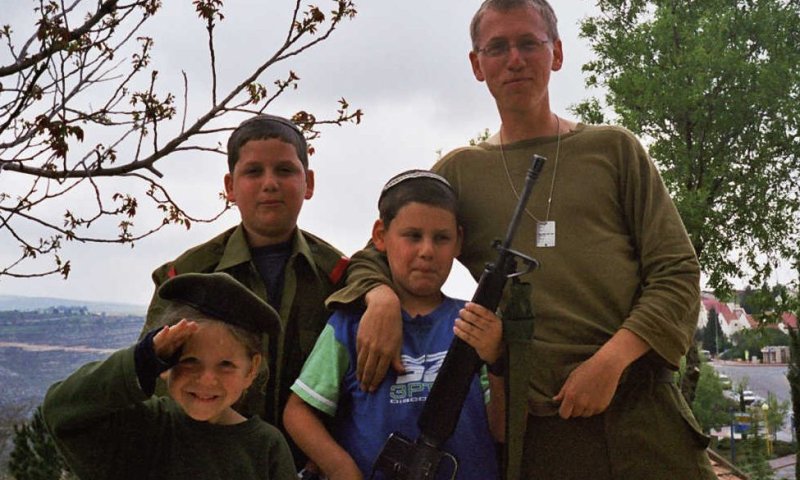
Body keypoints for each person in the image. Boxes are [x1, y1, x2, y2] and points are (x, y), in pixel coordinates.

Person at [326, 1, 716, 479]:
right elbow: (382, 251)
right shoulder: (460, 173)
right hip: (537, 434)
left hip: (643, 414)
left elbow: (676, 272)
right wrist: (381, 297)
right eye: (498, 47)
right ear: (477, 64)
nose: (515, 59)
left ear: (556, 53)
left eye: (529, 43)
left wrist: (611, 362)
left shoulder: (615, 151)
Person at [140, 114, 350, 466]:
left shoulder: (337, 279)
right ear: (230, 185)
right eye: (253, 172)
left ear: (308, 182)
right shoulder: (188, 277)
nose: (270, 184)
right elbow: (156, 384)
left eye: (285, 171)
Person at [283, 171, 503, 480]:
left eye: (441, 238)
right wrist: (341, 468)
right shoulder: (349, 324)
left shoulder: (474, 325)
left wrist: (497, 361)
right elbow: (298, 412)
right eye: (412, 236)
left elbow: (502, 429)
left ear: (459, 242)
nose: (426, 250)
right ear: (381, 236)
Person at [43, 272, 296, 480]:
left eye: (226, 365)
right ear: (165, 363)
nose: (207, 379)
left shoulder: (266, 448)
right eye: (190, 362)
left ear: (251, 370)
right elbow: (60, 411)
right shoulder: (142, 426)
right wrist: (141, 362)